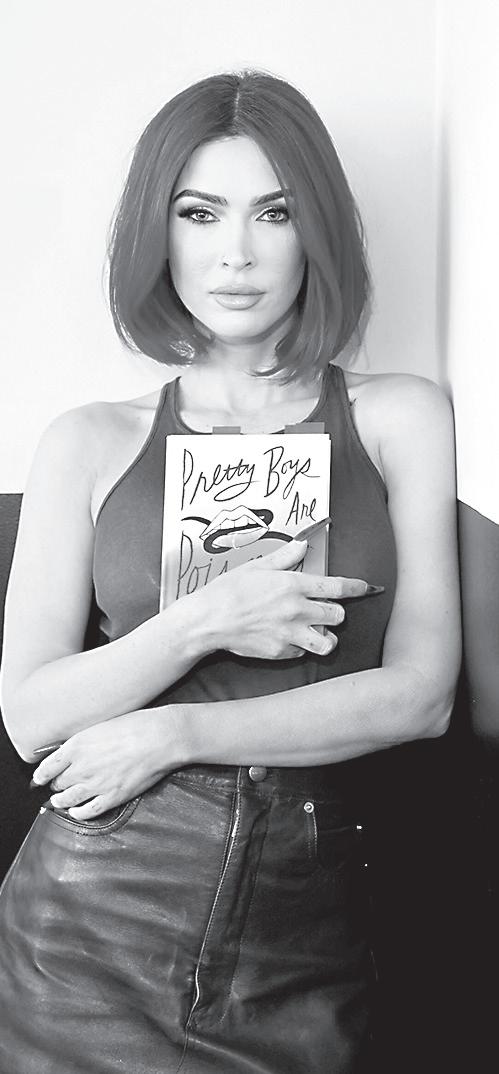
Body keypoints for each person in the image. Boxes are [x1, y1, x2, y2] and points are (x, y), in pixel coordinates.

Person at [0, 70, 460, 1073]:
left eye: (275, 212)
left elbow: (420, 698)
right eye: (199, 212)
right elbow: (33, 717)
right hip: (91, 918)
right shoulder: (89, 440)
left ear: (316, 230)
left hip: (307, 913)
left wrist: (173, 732)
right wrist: (203, 620)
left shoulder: (399, 416)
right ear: (158, 233)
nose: (236, 253)